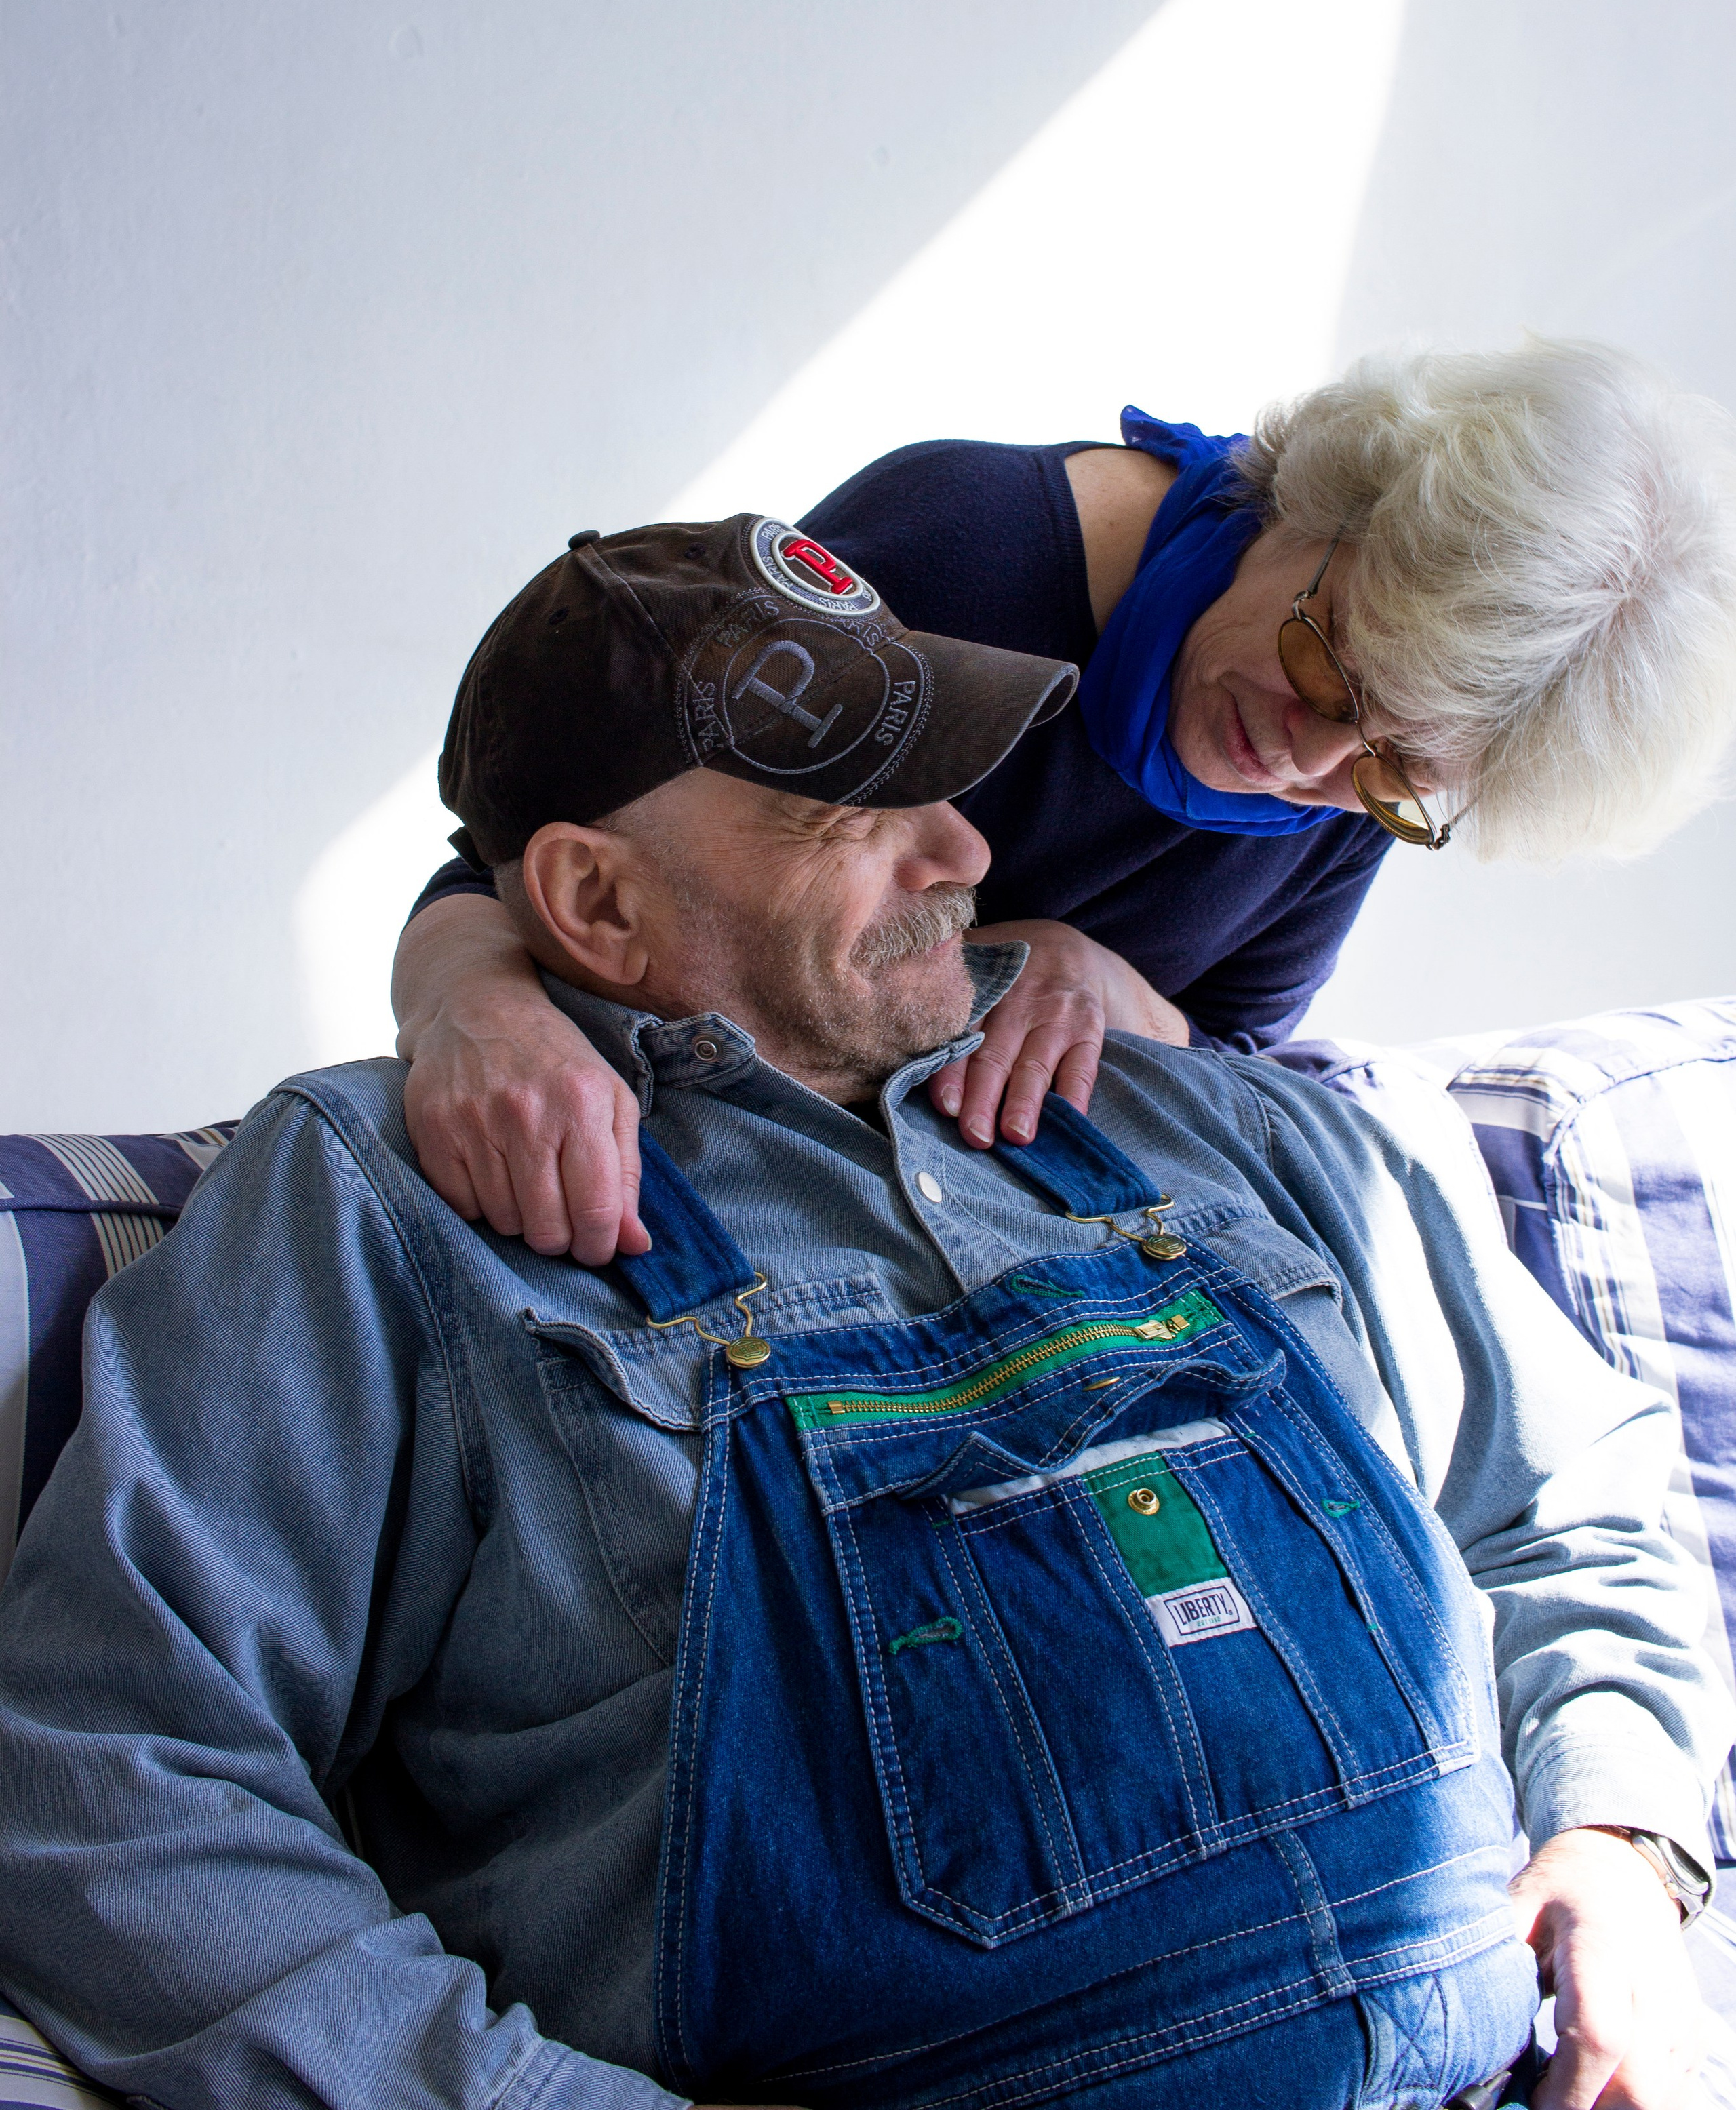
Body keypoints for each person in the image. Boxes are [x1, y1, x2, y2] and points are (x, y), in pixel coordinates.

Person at [0, 514, 1727, 2110]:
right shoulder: (382, 1200)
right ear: (594, 901)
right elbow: (108, 1774)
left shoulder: (1200, 1108)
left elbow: (1568, 1497)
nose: (968, 853)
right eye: (854, 813)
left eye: (953, 783)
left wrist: (1623, 1843)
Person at [387, 340, 1736, 1268]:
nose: (1306, 764)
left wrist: (1106, 985)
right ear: (1334, 508)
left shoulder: (1346, 793)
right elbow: (554, 844)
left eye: (1394, 773)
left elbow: (1227, 1060)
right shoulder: (965, 546)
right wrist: (471, 1005)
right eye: (1331, 668)